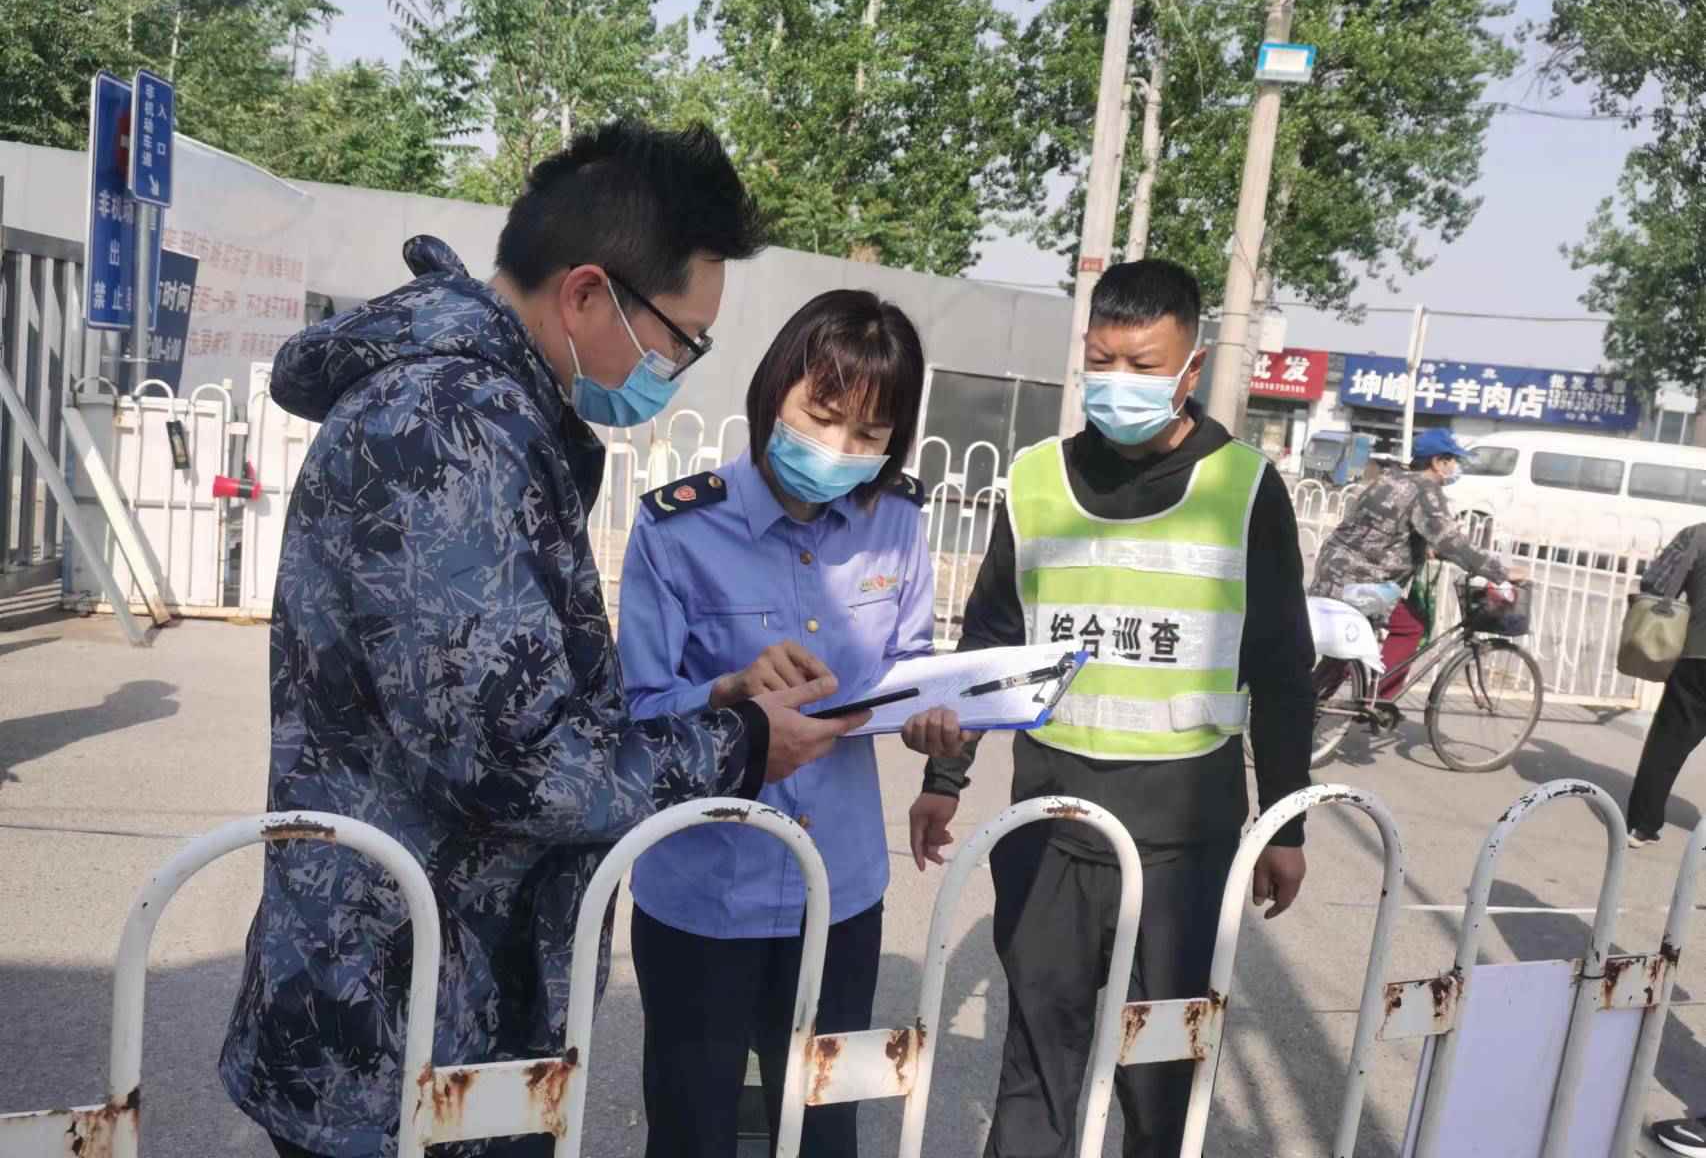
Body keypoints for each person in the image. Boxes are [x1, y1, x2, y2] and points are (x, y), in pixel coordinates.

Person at [220, 122, 871, 1158]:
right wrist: (745, 745)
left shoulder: (491, 411)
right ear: (586, 295)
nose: (678, 367)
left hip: (440, 991)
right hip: (399, 1019)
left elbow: (512, 701)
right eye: (681, 339)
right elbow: (514, 761)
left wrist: (718, 704)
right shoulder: (448, 430)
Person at [902, 259, 1316, 1158]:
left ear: (1190, 369)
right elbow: (994, 637)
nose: (1117, 381)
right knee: (1036, 1066)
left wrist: (1287, 825)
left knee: (1161, 1079)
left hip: (1183, 843)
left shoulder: (1244, 488)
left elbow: (1284, 670)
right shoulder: (1036, 479)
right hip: (1048, 827)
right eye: (1101, 360)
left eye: (1142, 364)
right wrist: (945, 775)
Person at [616, 290, 935, 1158]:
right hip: (705, 891)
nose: (838, 450)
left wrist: (937, 723)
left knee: (826, 1128)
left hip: (841, 892)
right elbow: (636, 709)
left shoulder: (895, 523)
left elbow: (913, 667)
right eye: (821, 417)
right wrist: (727, 692)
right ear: (774, 392)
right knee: (693, 1130)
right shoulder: (679, 528)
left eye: (868, 436)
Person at [1310, 427, 1520, 699]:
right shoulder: (1425, 489)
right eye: (1452, 461)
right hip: (1362, 582)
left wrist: (1424, 548)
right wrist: (1501, 572)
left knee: (1345, 647)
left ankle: (1310, 704)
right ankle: (1377, 699)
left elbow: (1386, 528)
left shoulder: (1391, 479)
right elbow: (1451, 541)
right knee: (1411, 626)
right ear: (1438, 462)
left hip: (1334, 571)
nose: (1455, 467)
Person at [1625, 523, 1706, 852]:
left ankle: (1642, 826)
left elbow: (1655, 584)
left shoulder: (1697, 535)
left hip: (1697, 654)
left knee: (1668, 743)